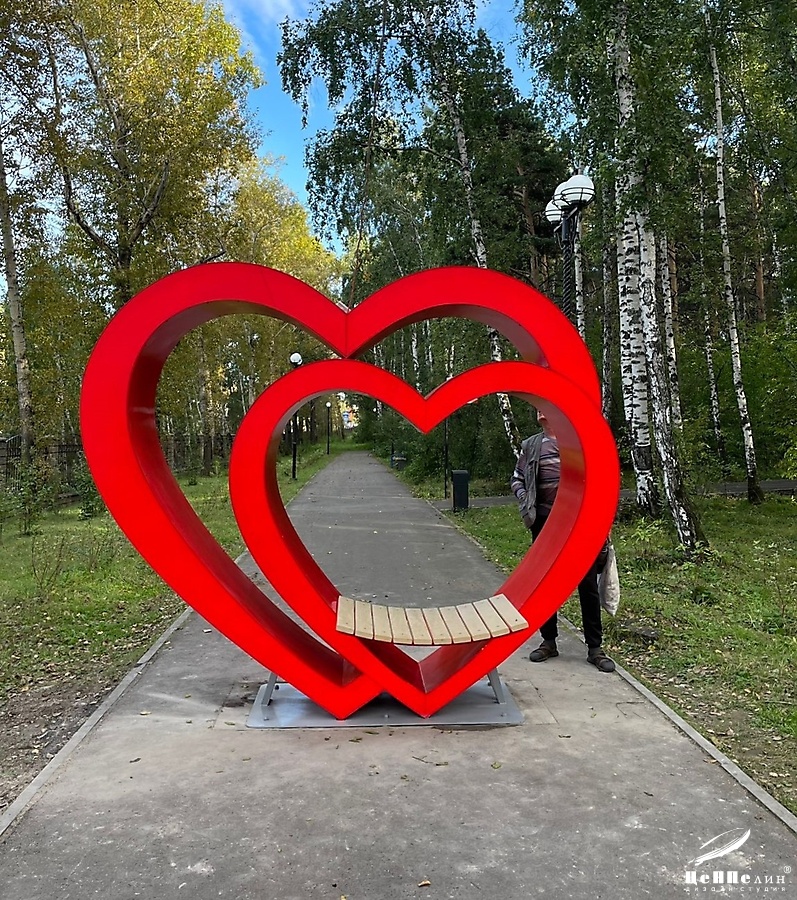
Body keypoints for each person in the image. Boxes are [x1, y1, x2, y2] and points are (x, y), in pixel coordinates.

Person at [510, 408, 615, 672]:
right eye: (537, 406)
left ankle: (595, 648)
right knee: (544, 584)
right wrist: (525, 500)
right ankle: (548, 642)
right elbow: (517, 478)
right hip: (544, 523)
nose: (540, 409)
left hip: (578, 523)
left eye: (546, 405)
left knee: (587, 584)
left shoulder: (578, 443)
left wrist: (602, 521)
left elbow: (600, 479)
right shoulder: (531, 445)